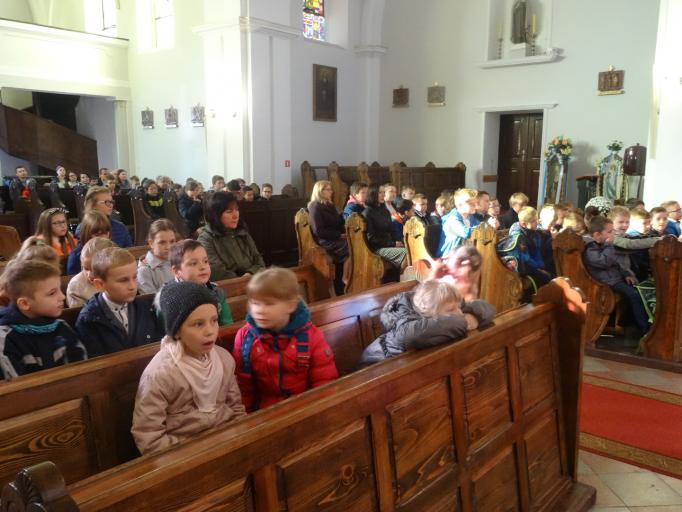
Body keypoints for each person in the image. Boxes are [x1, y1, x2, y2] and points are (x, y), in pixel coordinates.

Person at [131, 281, 246, 454]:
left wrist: (241, 440)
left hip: (227, 443)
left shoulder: (224, 359)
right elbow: (149, 436)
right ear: (176, 330)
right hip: (184, 454)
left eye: (214, 321)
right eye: (198, 324)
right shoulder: (160, 374)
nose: (210, 331)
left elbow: (236, 408)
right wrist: (190, 456)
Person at [232, 268, 338, 412]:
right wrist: (245, 417)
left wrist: (316, 413)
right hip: (264, 411)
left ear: (290, 305)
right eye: (255, 303)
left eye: (269, 304)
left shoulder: (311, 337)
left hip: (304, 408)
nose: (260, 310)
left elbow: (324, 382)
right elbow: (243, 385)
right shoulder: (245, 337)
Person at [358, 279, 495, 367]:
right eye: (451, 310)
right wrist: (465, 322)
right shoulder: (408, 327)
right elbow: (409, 336)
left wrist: (474, 316)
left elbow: (488, 309)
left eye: (458, 307)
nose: (459, 313)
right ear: (427, 313)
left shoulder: (443, 304)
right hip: (372, 371)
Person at [0, 260, 86, 379]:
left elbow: (83, 369)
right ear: (25, 303)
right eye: (52, 293)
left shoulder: (61, 326)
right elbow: (16, 385)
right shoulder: (6, 339)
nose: (62, 297)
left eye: (59, 290)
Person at [76, 247, 165, 357]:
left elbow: (159, 345)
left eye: (135, 277)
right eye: (123, 280)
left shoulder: (146, 307)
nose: (132, 286)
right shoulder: (89, 320)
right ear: (100, 284)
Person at [583, 216, 649, 339]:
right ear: (597, 235)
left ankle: (627, 322)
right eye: (609, 232)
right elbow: (604, 262)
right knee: (634, 295)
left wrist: (626, 274)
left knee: (640, 289)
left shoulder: (603, 245)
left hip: (615, 279)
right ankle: (644, 329)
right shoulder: (591, 249)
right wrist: (610, 246)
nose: (612, 234)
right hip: (606, 282)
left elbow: (616, 263)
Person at [197, 191, 265, 281]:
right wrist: (242, 280)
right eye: (229, 211)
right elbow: (217, 272)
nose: (235, 216)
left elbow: (259, 260)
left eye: (237, 210)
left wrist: (251, 273)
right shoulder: (206, 239)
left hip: (254, 281)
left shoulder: (241, 231)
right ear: (215, 215)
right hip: (228, 286)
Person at [168, 239, 233, 326]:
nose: (203, 267)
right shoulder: (169, 298)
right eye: (194, 263)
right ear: (176, 271)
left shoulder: (217, 293)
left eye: (205, 261)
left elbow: (227, 326)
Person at [497, 206, 555, 291]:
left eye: (536, 219)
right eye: (533, 221)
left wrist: (541, 266)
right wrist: (539, 269)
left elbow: (537, 250)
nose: (537, 222)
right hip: (524, 266)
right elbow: (525, 258)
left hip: (534, 263)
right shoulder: (518, 236)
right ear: (523, 224)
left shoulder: (532, 230)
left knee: (552, 270)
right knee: (547, 278)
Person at [362, 185, 407, 270]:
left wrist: (401, 242)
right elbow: (371, 239)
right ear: (372, 194)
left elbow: (392, 231)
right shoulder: (367, 213)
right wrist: (393, 244)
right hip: (377, 248)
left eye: (384, 192)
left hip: (389, 245)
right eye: (380, 192)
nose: (383, 195)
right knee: (406, 253)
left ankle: (401, 276)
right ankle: (401, 276)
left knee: (411, 248)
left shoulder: (385, 211)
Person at [66, 237, 116, 307]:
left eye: (95, 269)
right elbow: (79, 312)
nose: (90, 275)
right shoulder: (77, 286)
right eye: (86, 269)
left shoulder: (119, 276)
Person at [438, 188, 480, 257]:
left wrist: (490, 226)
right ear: (460, 205)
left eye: (476, 203)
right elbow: (466, 233)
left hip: (464, 253)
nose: (476, 206)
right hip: (450, 256)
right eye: (472, 204)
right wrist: (483, 227)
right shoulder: (452, 219)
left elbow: (480, 226)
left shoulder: (470, 217)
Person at [137, 220, 177, 294]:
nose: (168, 247)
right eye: (162, 242)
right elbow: (151, 299)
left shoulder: (178, 261)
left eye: (172, 241)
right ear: (151, 243)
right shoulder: (144, 271)